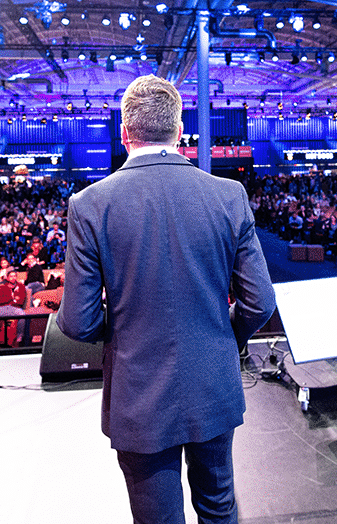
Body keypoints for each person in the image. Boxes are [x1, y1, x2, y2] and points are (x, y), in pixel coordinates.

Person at [58, 75, 276, 524]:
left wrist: (123, 333)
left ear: (124, 134)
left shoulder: (89, 204)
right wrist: (220, 336)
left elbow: (78, 322)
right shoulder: (229, 195)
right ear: (180, 131)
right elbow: (260, 303)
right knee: (219, 508)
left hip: (138, 398)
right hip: (214, 385)